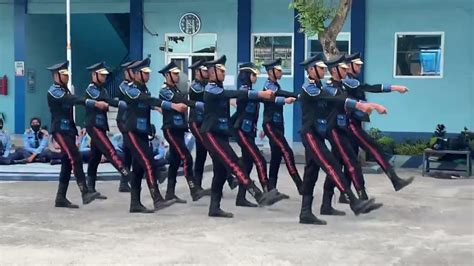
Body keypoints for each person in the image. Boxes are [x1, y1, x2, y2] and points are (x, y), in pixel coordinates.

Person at [298, 53, 384, 224]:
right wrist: (358, 104)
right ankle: (354, 202)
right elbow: (331, 98)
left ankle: (306, 212)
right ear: (311, 70)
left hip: (319, 134)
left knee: (311, 173)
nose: (324, 70)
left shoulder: (320, 86)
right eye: (321, 68)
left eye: (323, 68)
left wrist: (366, 105)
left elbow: (336, 100)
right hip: (310, 135)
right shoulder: (310, 88)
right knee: (332, 165)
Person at [201, 55, 286, 218]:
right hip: (211, 133)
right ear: (212, 73)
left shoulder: (218, 88)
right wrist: (260, 94)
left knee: (220, 172)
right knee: (234, 163)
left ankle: (214, 207)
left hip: (221, 133)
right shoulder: (211, 89)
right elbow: (234, 94)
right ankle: (257, 194)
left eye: (224, 71)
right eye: (221, 71)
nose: (224, 74)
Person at [122, 58, 188, 213]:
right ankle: (157, 198)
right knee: (148, 162)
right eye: (145, 73)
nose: (148, 76)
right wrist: (171, 105)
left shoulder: (143, 88)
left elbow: (147, 103)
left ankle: (135, 204)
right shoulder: (131, 89)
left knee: (138, 169)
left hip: (143, 132)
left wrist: (155, 109)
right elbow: (147, 100)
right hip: (132, 132)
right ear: (137, 74)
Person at [46, 61, 108, 208]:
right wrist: (94, 103)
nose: (67, 78)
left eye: (67, 75)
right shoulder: (54, 91)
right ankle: (85, 192)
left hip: (68, 130)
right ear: (56, 76)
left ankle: (60, 198)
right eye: (64, 75)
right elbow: (73, 100)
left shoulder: (64, 90)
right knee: (76, 157)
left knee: (67, 163)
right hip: (60, 130)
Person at [232, 62, 291, 207]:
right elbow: (253, 96)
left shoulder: (251, 90)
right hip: (242, 132)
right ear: (246, 75)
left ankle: (241, 198)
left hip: (248, 132)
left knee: (247, 164)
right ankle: (266, 192)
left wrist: (284, 99)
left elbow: (263, 98)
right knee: (260, 160)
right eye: (253, 75)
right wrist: (279, 98)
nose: (256, 77)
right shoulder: (244, 91)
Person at [158, 61, 210, 203]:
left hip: (179, 128)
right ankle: (194, 189)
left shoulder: (176, 89)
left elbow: (182, 102)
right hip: (170, 129)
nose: (177, 77)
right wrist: (197, 104)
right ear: (167, 75)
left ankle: (170, 193)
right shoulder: (165, 90)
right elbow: (180, 101)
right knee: (187, 158)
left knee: (175, 162)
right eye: (174, 74)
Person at [83, 61, 135, 199]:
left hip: (101, 125)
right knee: (110, 151)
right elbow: (106, 100)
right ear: (94, 75)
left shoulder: (103, 89)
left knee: (95, 158)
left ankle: (90, 189)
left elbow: (107, 100)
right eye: (102, 75)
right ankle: (127, 175)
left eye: (106, 75)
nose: (105, 77)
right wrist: (122, 103)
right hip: (93, 126)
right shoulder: (91, 89)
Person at [261, 58, 301, 197]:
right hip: (271, 124)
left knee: (276, 156)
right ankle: (300, 185)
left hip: (277, 124)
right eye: (278, 70)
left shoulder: (275, 85)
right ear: (270, 72)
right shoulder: (269, 87)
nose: (281, 72)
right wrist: (296, 95)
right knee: (287, 151)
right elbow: (280, 95)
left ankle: (272, 188)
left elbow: (282, 92)